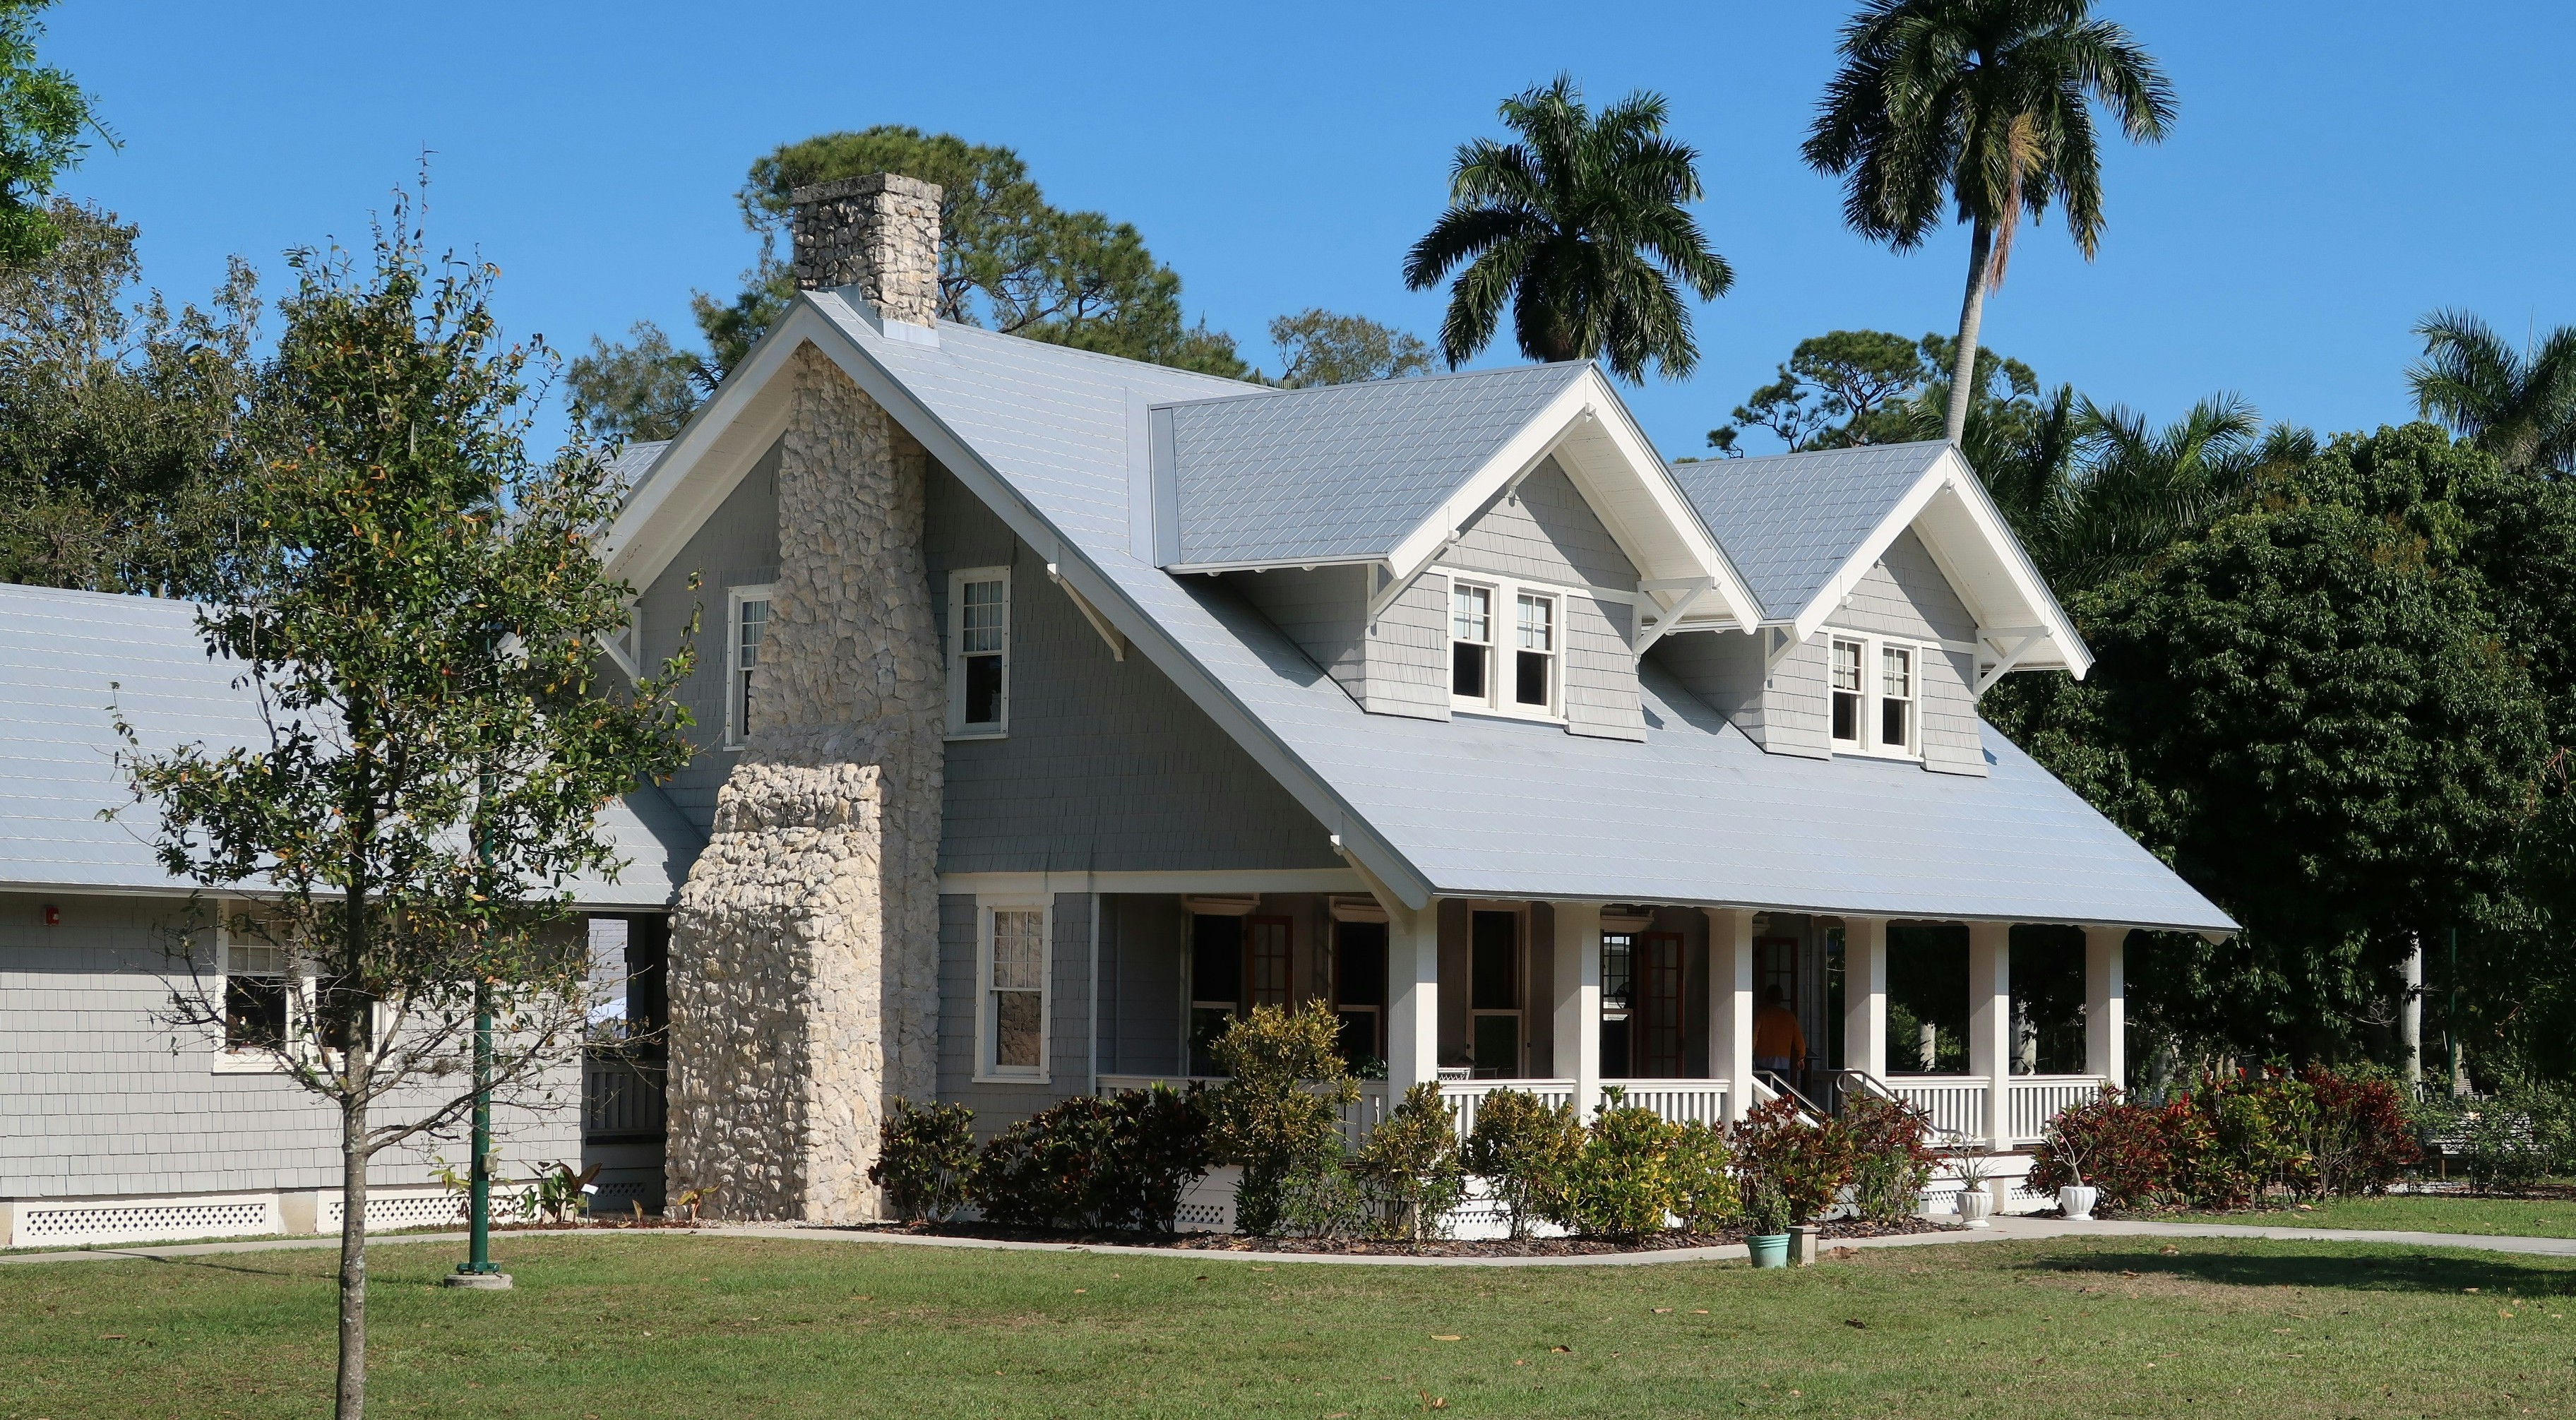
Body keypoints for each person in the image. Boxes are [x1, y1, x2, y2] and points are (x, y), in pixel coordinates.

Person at [1753, 984, 1804, 1082]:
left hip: (1762, 1059)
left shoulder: (1762, 1014)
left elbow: (1754, 1036)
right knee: (1780, 1092)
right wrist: (1801, 1057)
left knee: (1763, 1090)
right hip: (1783, 1060)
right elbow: (1799, 1041)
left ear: (1766, 997)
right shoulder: (1789, 1016)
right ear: (1781, 998)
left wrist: (1750, 1052)